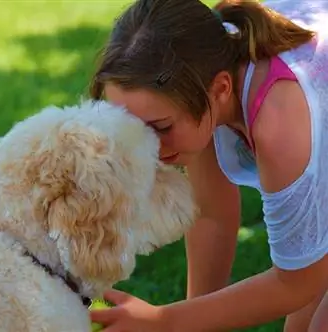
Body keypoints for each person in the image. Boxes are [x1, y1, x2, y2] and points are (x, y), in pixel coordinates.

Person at [87, 0, 328, 331]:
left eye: (161, 127)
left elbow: (297, 284)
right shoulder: (200, 71)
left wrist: (164, 322)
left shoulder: (279, 126)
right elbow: (212, 215)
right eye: (133, 128)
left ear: (221, 89)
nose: (149, 148)